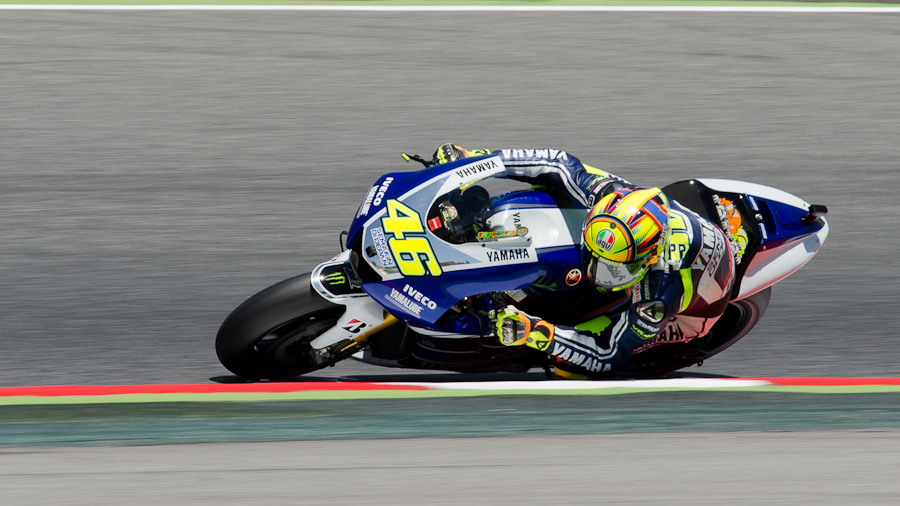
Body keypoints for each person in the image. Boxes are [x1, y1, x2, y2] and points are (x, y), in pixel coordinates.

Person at [431, 143, 737, 379]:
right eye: (597, 257)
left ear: (649, 257)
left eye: (613, 268)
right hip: (675, 228)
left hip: (695, 311)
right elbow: (556, 162)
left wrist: (539, 333)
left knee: (573, 369)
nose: (596, 272)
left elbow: (608, 353)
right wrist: (476, 160)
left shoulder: (658, 295)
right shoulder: (611, 195)